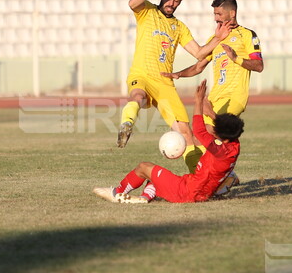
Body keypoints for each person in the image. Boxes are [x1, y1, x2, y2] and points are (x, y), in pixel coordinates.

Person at [117, 0, 230, 172]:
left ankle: (197, 175)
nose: (171, 3)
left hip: (164, 83)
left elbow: (199, 53)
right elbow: (132, 3)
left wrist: (217, 39)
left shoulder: (179, 27)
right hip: (141, 74)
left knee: (185, 131)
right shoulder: (148, 12)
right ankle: (126, 125)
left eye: (176, 0)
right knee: (137, 96)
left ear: (180, 2)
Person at [161, 0, 263, 195]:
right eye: (214, 14)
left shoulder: (247, 35)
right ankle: (216, 182)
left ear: (232, 13)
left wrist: (236, 59)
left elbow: (258, 65)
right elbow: (199, 66)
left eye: (219, 14)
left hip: (234, 97)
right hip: (215, 98)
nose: (215, 18)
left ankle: (217, 181)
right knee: (197, 140)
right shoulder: (215, 39)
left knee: (209, 131)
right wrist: (178, 74)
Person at [95, 80, 243, 204]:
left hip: (187, 191)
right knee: (154, 179)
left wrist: (197, 101)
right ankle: (144, 198)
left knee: (144, 167)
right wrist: (211, 114)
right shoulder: (234, 145)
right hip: (199, 191)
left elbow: (199, 130)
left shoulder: (219, 150)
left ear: (221, 136)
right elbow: (227, 129)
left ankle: (117, 192)